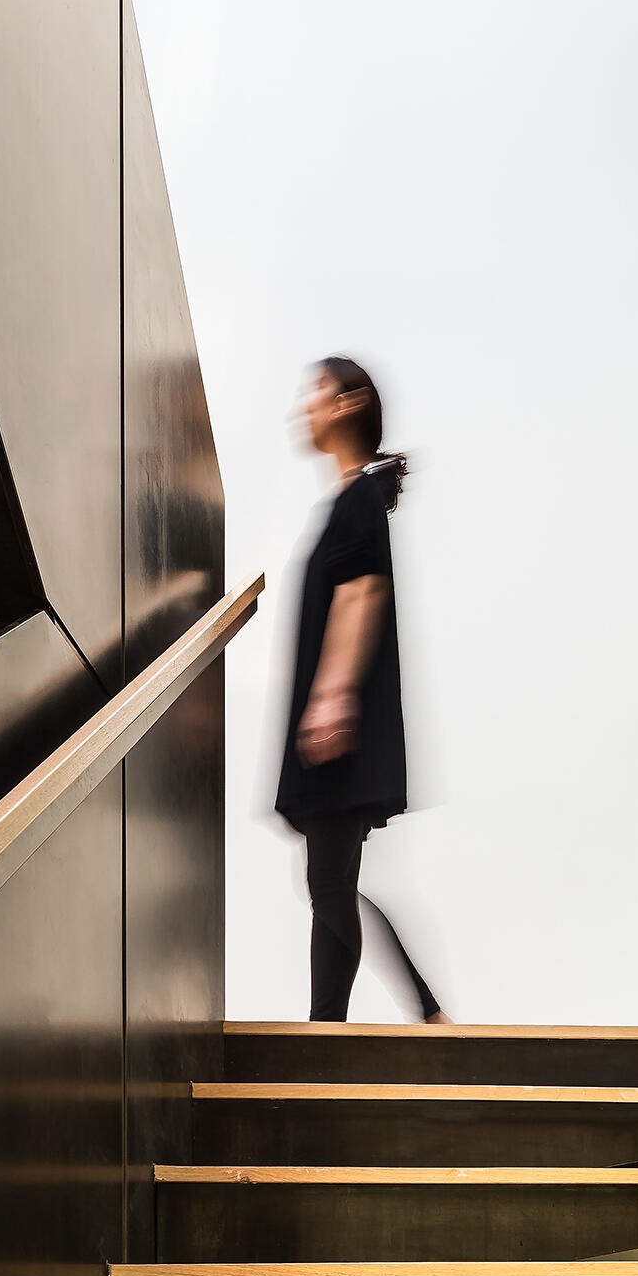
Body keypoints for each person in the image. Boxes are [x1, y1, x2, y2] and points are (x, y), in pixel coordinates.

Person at [275, 354, 445, 1023]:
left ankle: (419, 1012)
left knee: (326, 881)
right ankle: (333, 1029)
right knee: (330, 881)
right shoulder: (355, 499)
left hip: (339, 729)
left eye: (314, 395)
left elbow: (360, 594)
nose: (303, 409)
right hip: (341, 727)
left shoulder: (357, 501)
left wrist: (332, 696)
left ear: (348, 404)